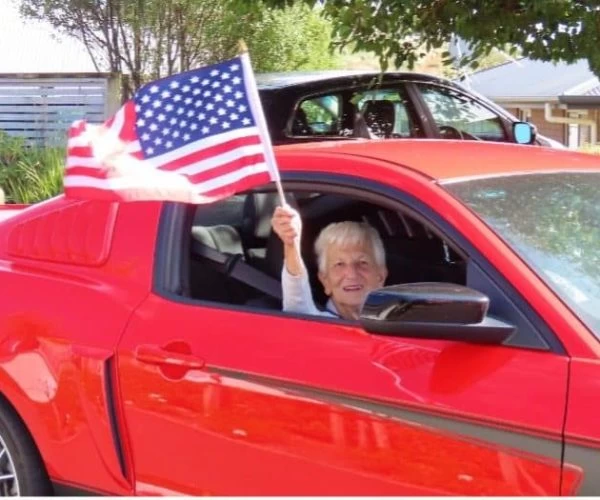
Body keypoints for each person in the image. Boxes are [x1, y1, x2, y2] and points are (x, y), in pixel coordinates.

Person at [271, 204, 388, 320]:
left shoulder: (400, 321)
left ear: (381, 276)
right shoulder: (316, 324)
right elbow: (297, 304)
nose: (352, 274)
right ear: (325, 280)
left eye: (362, 262)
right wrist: (291, 244)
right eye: (339, 264)